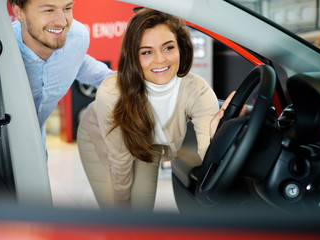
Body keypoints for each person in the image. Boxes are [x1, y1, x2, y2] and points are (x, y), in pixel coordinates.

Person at [77, 8, 241, 211]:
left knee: (142, 213)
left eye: (168, 48)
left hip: (148, 144)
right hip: (100, 138)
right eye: (146, 52)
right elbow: (120, 159)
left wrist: (222, 129)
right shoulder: (112, 93)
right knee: (119, 213)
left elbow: (208, 153)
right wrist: (121, 201)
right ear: (134, 57)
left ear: (181, 47)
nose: (160, 59)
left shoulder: (197, 90)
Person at [8, 0, 114, 154]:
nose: (61, 22)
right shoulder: (0, 49)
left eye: (67, 8)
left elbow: (82, 64)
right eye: (48, 10)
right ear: (19, 12)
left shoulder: (76, 38)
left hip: (37, 149)